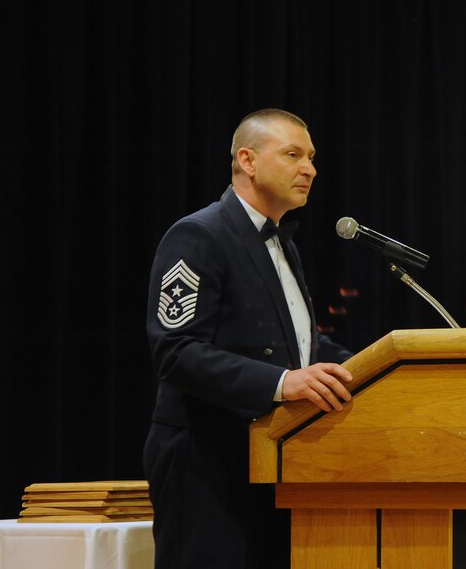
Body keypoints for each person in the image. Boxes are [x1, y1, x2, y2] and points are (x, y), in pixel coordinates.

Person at [143, 108, 354, 568]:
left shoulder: (284, 245)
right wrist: (283, 383)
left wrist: (371, 368)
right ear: (248, 160)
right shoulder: (197, 235)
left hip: (268, 455)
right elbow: (176, 353)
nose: (310, 169)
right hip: (205, 461)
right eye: (293, 154)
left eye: (313, 157)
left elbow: (303, 348)